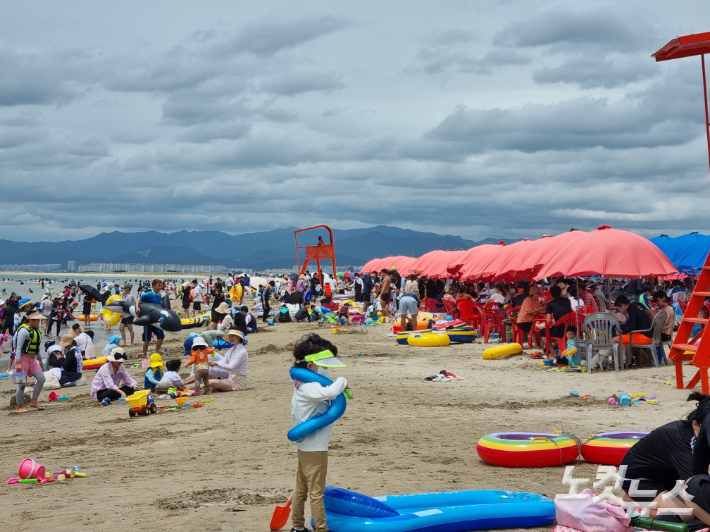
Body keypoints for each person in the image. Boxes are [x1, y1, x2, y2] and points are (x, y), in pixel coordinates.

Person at [620, 392, 710, 521]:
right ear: (695, 424)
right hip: (638, 479)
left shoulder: (695, 436)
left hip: (667, 478)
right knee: (686, 515)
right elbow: (694, 485)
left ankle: (647, 499)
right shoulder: (683, 441)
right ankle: (633, 500)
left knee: (697, 508)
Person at [290, 333, 348, 532]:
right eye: (324, 366)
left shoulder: (301, 386)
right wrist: (342, 380)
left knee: (301, 489)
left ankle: (297, 527)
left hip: (305, 445)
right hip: (315, 448)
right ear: (310, 367)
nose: (328, 370)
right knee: (316, 491)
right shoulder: (310, 387)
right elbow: (330, 393)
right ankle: (322, 529)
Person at [13, 312, 47, 413]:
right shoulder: (24, 331)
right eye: (37, 320)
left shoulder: (35, 331)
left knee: (41, 378)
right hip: (22, 359)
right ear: (31, 320)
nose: (39, 322)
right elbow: (18, 348)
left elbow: (37, 348)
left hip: (32, 359)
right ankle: (19, 407)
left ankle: (33, 401)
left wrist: (40, 360)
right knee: (22, 384)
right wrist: (18, 362)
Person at [614, 295, 653, 367]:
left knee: (615, 339)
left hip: (643, 337)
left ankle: (619, 364)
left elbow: (632, 326)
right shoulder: (635, 306)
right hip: (648, 335)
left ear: (623, 305)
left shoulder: (631, 309)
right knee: (628, 342)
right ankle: (629, 364)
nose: (620, 311)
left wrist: (620, 332)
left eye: (619, 308)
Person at [208, 327, 248, 391]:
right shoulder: (232, 349)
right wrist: (212, 364)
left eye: (233, 336)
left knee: (210, 382)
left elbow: (231, 367)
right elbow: (224, 361)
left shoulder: (242, 351)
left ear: (239, 337)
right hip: (230, 378)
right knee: (210, 382)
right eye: (230, 336)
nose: (231, 338)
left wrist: (216, 364)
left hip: (238, 382)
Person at [136, 279, 165, 360]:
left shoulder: (159, 295)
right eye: (159, 285)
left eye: (161, 285)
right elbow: (138, 299)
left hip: (156, 320)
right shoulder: (149, 294)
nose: (160, 287)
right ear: (153, 286)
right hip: (148, 320)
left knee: (161, 336)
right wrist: (137, 307)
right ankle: (144, 355)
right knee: (147, 339)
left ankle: (156, 352)